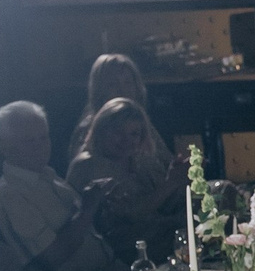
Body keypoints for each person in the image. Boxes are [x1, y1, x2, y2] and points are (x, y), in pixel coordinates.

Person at [0, 103, 108, 271]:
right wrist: (88, 209)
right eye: (29, 141)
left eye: (43, 137)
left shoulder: (49, 177)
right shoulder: (8, 196)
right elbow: (51, 257)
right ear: (4, 146)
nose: (40, 146)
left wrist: (104, 205)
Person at [67, 99, 177, 253]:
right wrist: (171, 183)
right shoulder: (88, 164)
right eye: (118, 132)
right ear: (101, 130)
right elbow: (130, 215)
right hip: (118, 249)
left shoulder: (137, 159)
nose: (127, 140)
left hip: (157, 235)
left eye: (134, 134)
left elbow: (165, 206)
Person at [67, 53, 168, 167]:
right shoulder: (89, 129)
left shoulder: (140, 123)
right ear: (100, 90)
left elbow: (165, 162)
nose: (123, 90)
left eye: (128, 83)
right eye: (113, 85)